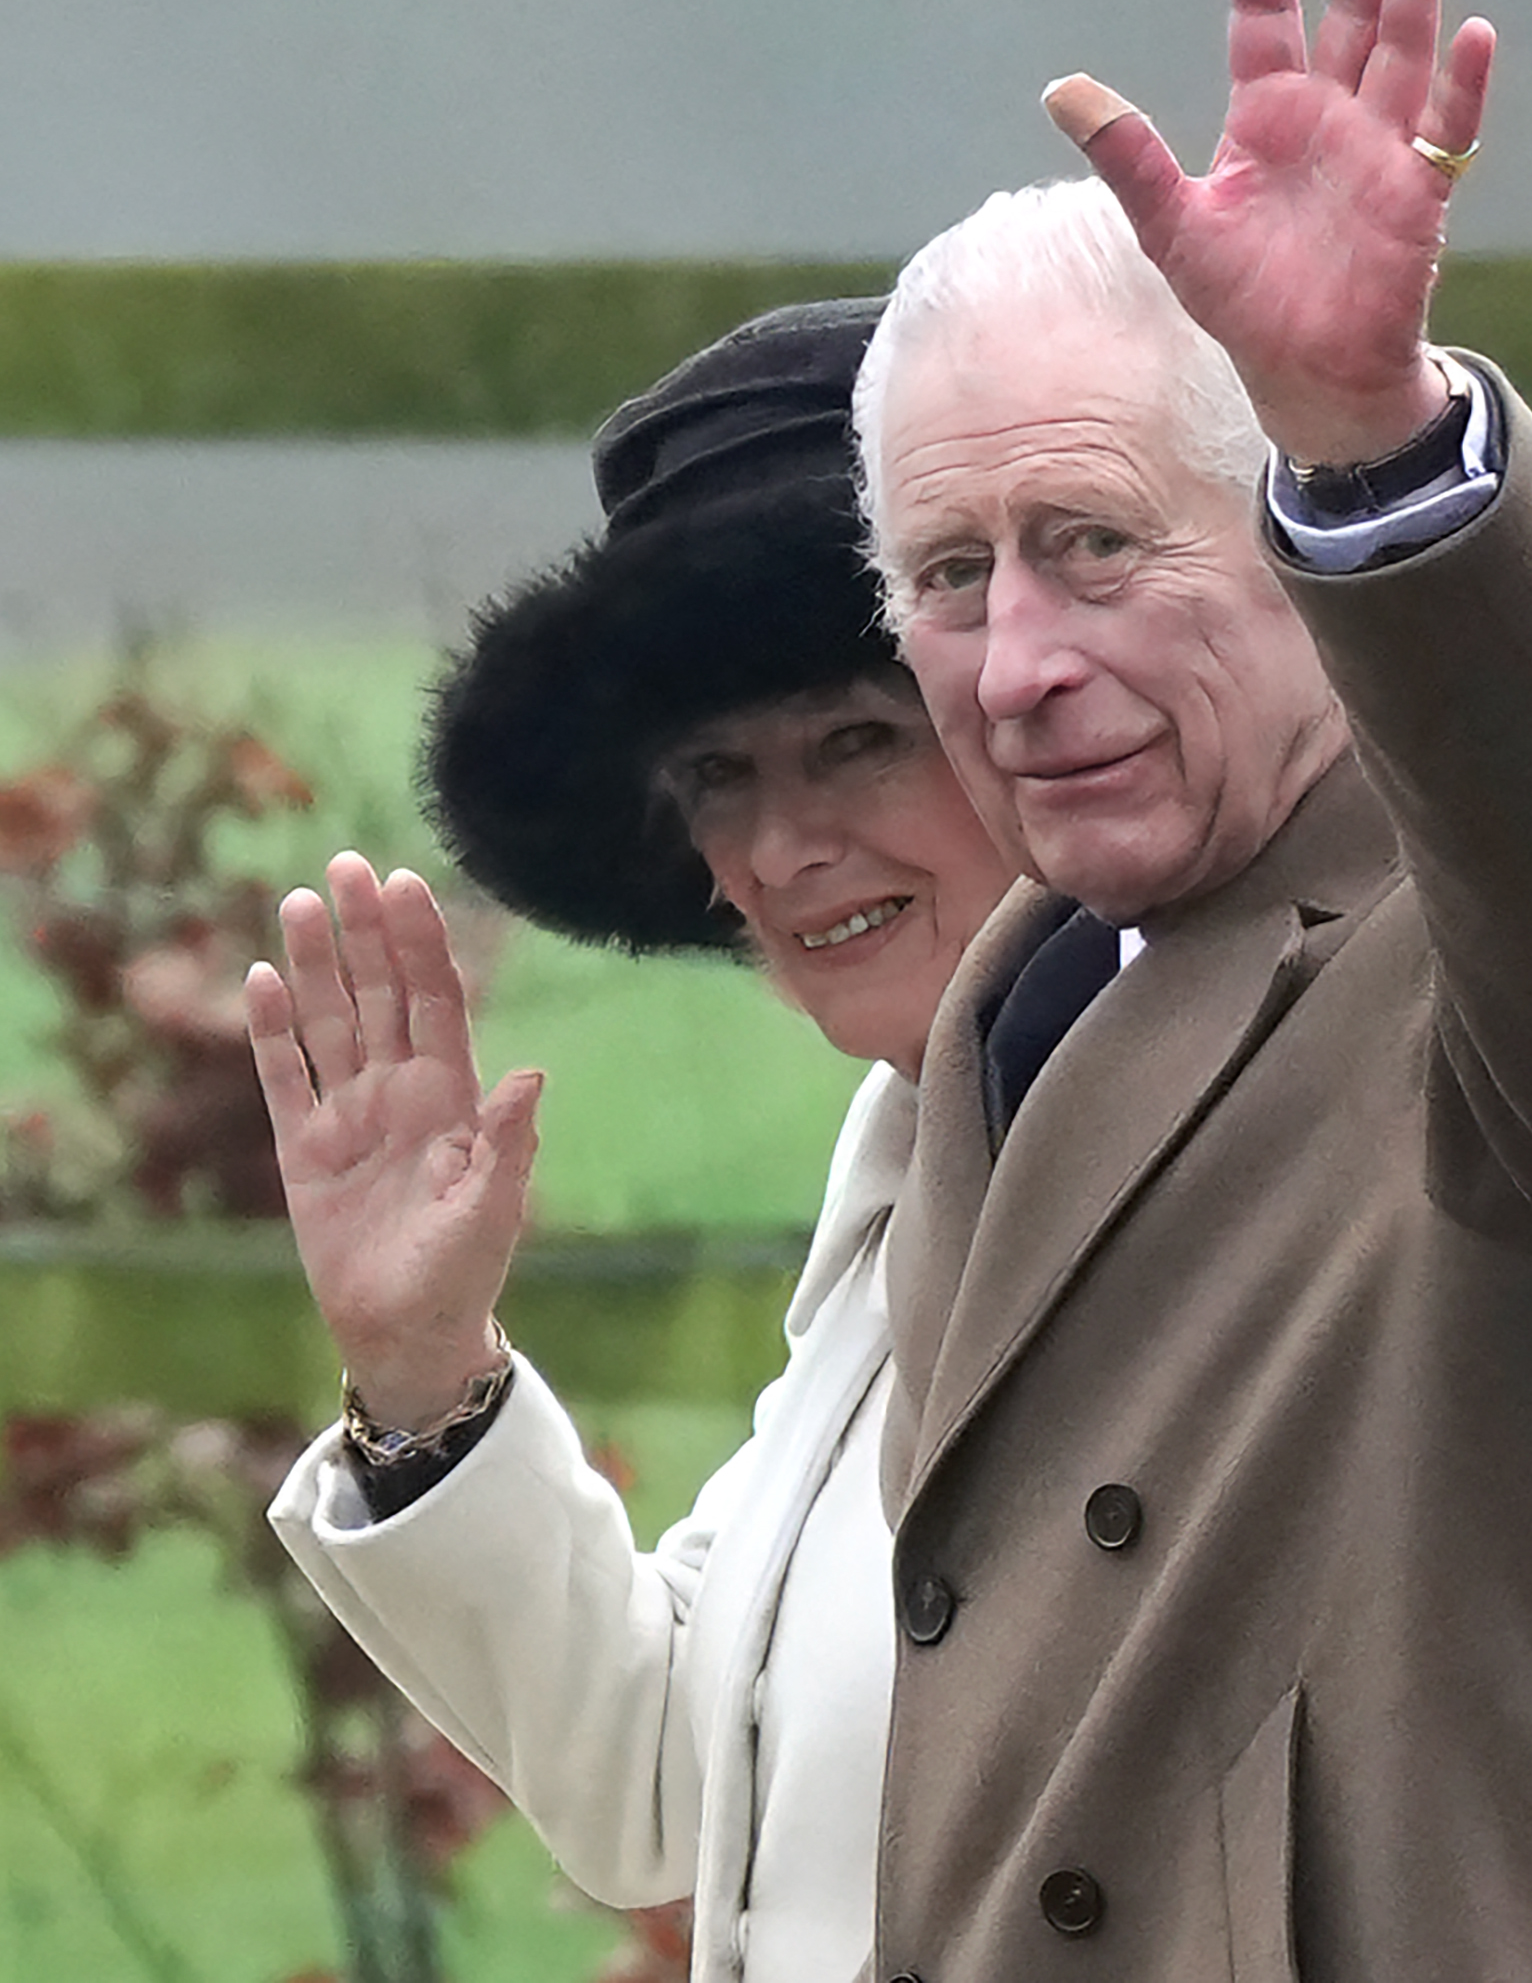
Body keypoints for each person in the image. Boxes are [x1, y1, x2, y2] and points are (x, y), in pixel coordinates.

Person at [853, 0, 1532, 1982]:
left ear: (1293, 546)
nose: (1015, 662)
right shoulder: (1016, 998)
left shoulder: (1518, 979)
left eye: (1095, 543)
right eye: (952, 577)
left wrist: (1381, 452)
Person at [246, 300, 1020, 1983]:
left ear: (1034, 714)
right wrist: (426, 1376)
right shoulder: (912, 1174)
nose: (782, 843)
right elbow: (668, 1784)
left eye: (857, 739)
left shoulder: (1281, 1136)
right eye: (715, 776)